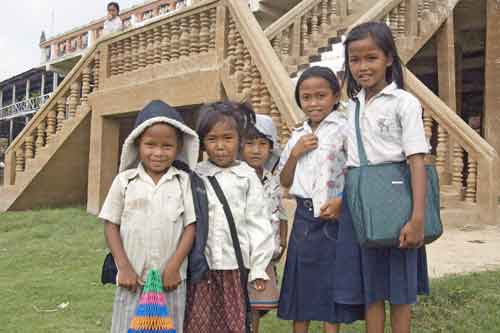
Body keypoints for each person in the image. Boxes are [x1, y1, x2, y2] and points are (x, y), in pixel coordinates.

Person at [342, 21, 430, 333]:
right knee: (372, 288)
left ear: (389, 59)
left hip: (398, 206)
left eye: (371, 58)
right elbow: (349, 165)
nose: (362, 66)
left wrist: (417, 217)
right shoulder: (350, 108)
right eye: (355, 59)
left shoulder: (403, 102)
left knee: (400, 291)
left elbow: (417, 160)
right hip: (363, 210)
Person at [99, 100, 199, 333]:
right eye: (150, 144)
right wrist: (123, 267)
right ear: (137, 144)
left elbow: (190, 226)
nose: (158, 153)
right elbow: (111, 225)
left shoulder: (183, 182)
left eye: (167, 146)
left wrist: (174, 266)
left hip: (170, 282)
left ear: (178, 147)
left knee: (169, 328)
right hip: (132, 281)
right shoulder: (124, 181)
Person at [277, 66, 364, 333]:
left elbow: (356, 170)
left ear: (335, 96)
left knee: (330, 284)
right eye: (306, 97)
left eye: (320, 96)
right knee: (301, 285)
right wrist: (295, 153)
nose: (313, 103)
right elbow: (284, 181)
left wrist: (342, 201)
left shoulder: (345, 128)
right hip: (304, 218)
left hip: (334, 215)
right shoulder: (296, 134)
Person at [184, 101, 274, 333]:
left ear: (240, 140)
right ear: (202, 142)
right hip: (201, 267)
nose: (220, 146)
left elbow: (259, 223)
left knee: (233, 323)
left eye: (227, 138)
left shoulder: (246, 177)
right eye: (212, 139)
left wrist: (258, 267)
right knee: (198, 324)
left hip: (234, 267)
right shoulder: (196, 176)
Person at [240, 114, 288, 333]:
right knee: (237, 305)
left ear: (271, 148)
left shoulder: (272, 180)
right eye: (249, 143)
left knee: (256, 307)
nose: (256, 149)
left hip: (265, 254)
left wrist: (282, 243)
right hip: (239, 256)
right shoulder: (237, 177)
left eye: (262, 144)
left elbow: (281, 213)